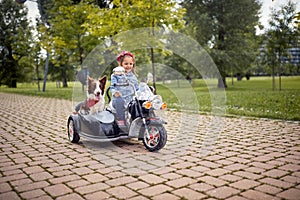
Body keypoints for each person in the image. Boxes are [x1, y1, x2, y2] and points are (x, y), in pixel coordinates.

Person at [110, 51, 139, 126]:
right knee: (120, 100)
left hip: (130, 99)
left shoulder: (133, 76)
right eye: (126, 64)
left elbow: (137, 88)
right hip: (119, 98)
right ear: (121, 64)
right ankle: (121, 120)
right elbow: (112, 87)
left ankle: (138, 119)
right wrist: (115, 92)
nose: (128, 66)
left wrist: (143, 91)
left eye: (130, 64)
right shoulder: (115, 75)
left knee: (139, 103)